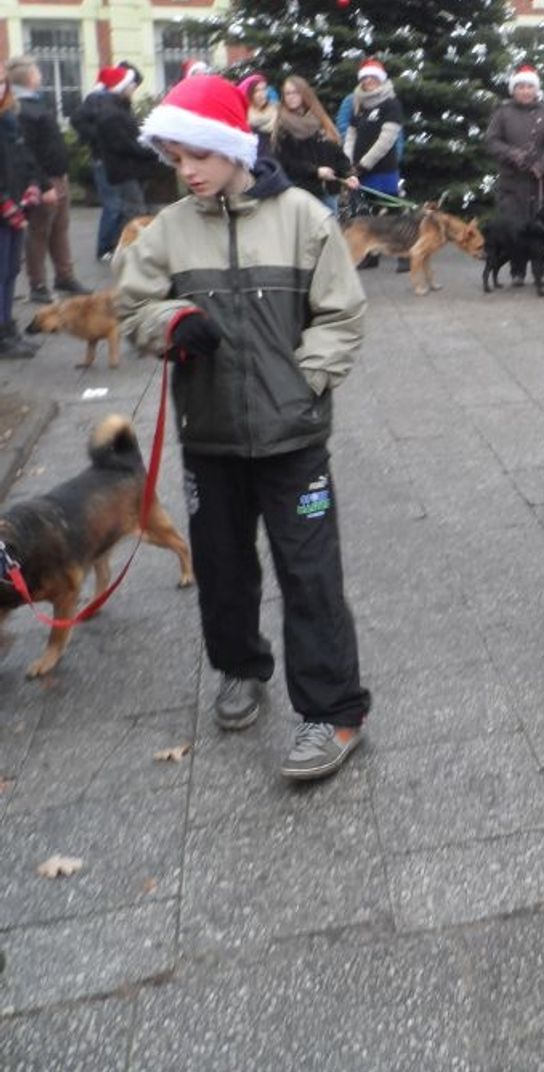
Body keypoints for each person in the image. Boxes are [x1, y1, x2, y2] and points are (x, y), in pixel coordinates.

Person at [116, 74, 370, 782]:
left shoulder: (303, 217)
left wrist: (303, 382)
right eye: (176, 158)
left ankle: (334, 712)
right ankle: (239, 667)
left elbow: (342, 314)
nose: (188, 171)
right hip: (211, 438)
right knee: (223, 571)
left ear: (233, 146)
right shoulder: (169, 230)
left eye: (199, 154)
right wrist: (170, 323)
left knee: (311, 576)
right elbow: (131, 308)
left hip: (295, 442)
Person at [8, 58, 88, 302]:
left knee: (60, 229)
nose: (41, 76)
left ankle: (64, 276)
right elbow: (27, 152)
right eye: (37, 73)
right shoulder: (21, 109)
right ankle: (38, 284)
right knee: (39, 232)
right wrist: (43, 185)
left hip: (58, 177)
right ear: (29, 77)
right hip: (44, 181)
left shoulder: (35, 103)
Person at [485, 66, 544, 284]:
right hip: (512, 182)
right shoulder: (502, 113)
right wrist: (514, 155)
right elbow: (491, 141)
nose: (526, 91)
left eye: (530, 87)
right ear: (514, 90)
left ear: (536, 89)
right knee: (514, 229)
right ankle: (517, 271)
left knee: (540, 229)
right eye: (521, 87)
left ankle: (541, 269)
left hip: (540, 182)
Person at [71, 65, 148, 260]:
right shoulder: (98, 100)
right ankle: (106, 247)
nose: (134, 88)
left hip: (115, 160)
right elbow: (78, 120)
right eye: (132, 84)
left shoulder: (116, 103)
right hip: (105, 159)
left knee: (122, 205)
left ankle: (116, 245)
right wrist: (100, 137)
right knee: (114, 205)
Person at [0, 55, 46, 359]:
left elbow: (23, 157)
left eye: (2, 81)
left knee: (10, 271)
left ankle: (7, 327)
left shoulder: (9, 119)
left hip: (15, 205)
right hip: (4, 208)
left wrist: (33, 184)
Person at [272, 75, 356, 208]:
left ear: (304, 93)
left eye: (296, 92)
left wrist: (348, 175)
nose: (291, 97)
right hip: (302, 193)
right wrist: (316, 171)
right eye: (288, 93)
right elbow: (287, 163)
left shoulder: (320, 119)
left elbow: (336, 152)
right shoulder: (283, 126)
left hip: (329, 192)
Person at [344, 58, 403, 199]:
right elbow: (350, 136)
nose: (368, 80)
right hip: (358, 175)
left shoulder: (391, 104)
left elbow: (386, 141)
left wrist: (363, 166)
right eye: (365, 77)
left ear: (380, 78)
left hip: (382, 174)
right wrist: (347, 163)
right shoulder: (358, 104)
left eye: (373, 76)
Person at [237, 73, 278, 152]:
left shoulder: (277, 111)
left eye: (264, 89)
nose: (261, 94)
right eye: (256, 91)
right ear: (250, 94)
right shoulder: (244, 119)